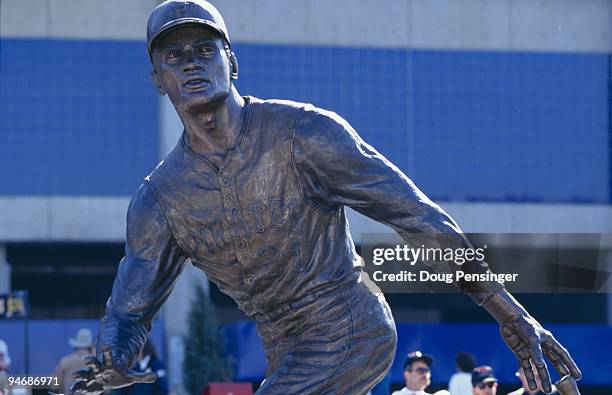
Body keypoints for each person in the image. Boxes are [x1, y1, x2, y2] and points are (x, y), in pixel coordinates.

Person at [71, 1, 581, 394]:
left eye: (205, 50)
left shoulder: (302, 133)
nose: (192, 65)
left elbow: (416, 217)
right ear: (157, 79)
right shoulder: (160, 199)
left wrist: (509, 311)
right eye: (175, 57)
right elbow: (129, 311)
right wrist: (111, 361)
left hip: (349, 323)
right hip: (284, 346)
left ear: (232, 59)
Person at [52, 328, 95, 394]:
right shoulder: (96, 362)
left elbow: (54, 385)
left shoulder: (65, 361)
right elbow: (107, 389)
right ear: (90, 345)